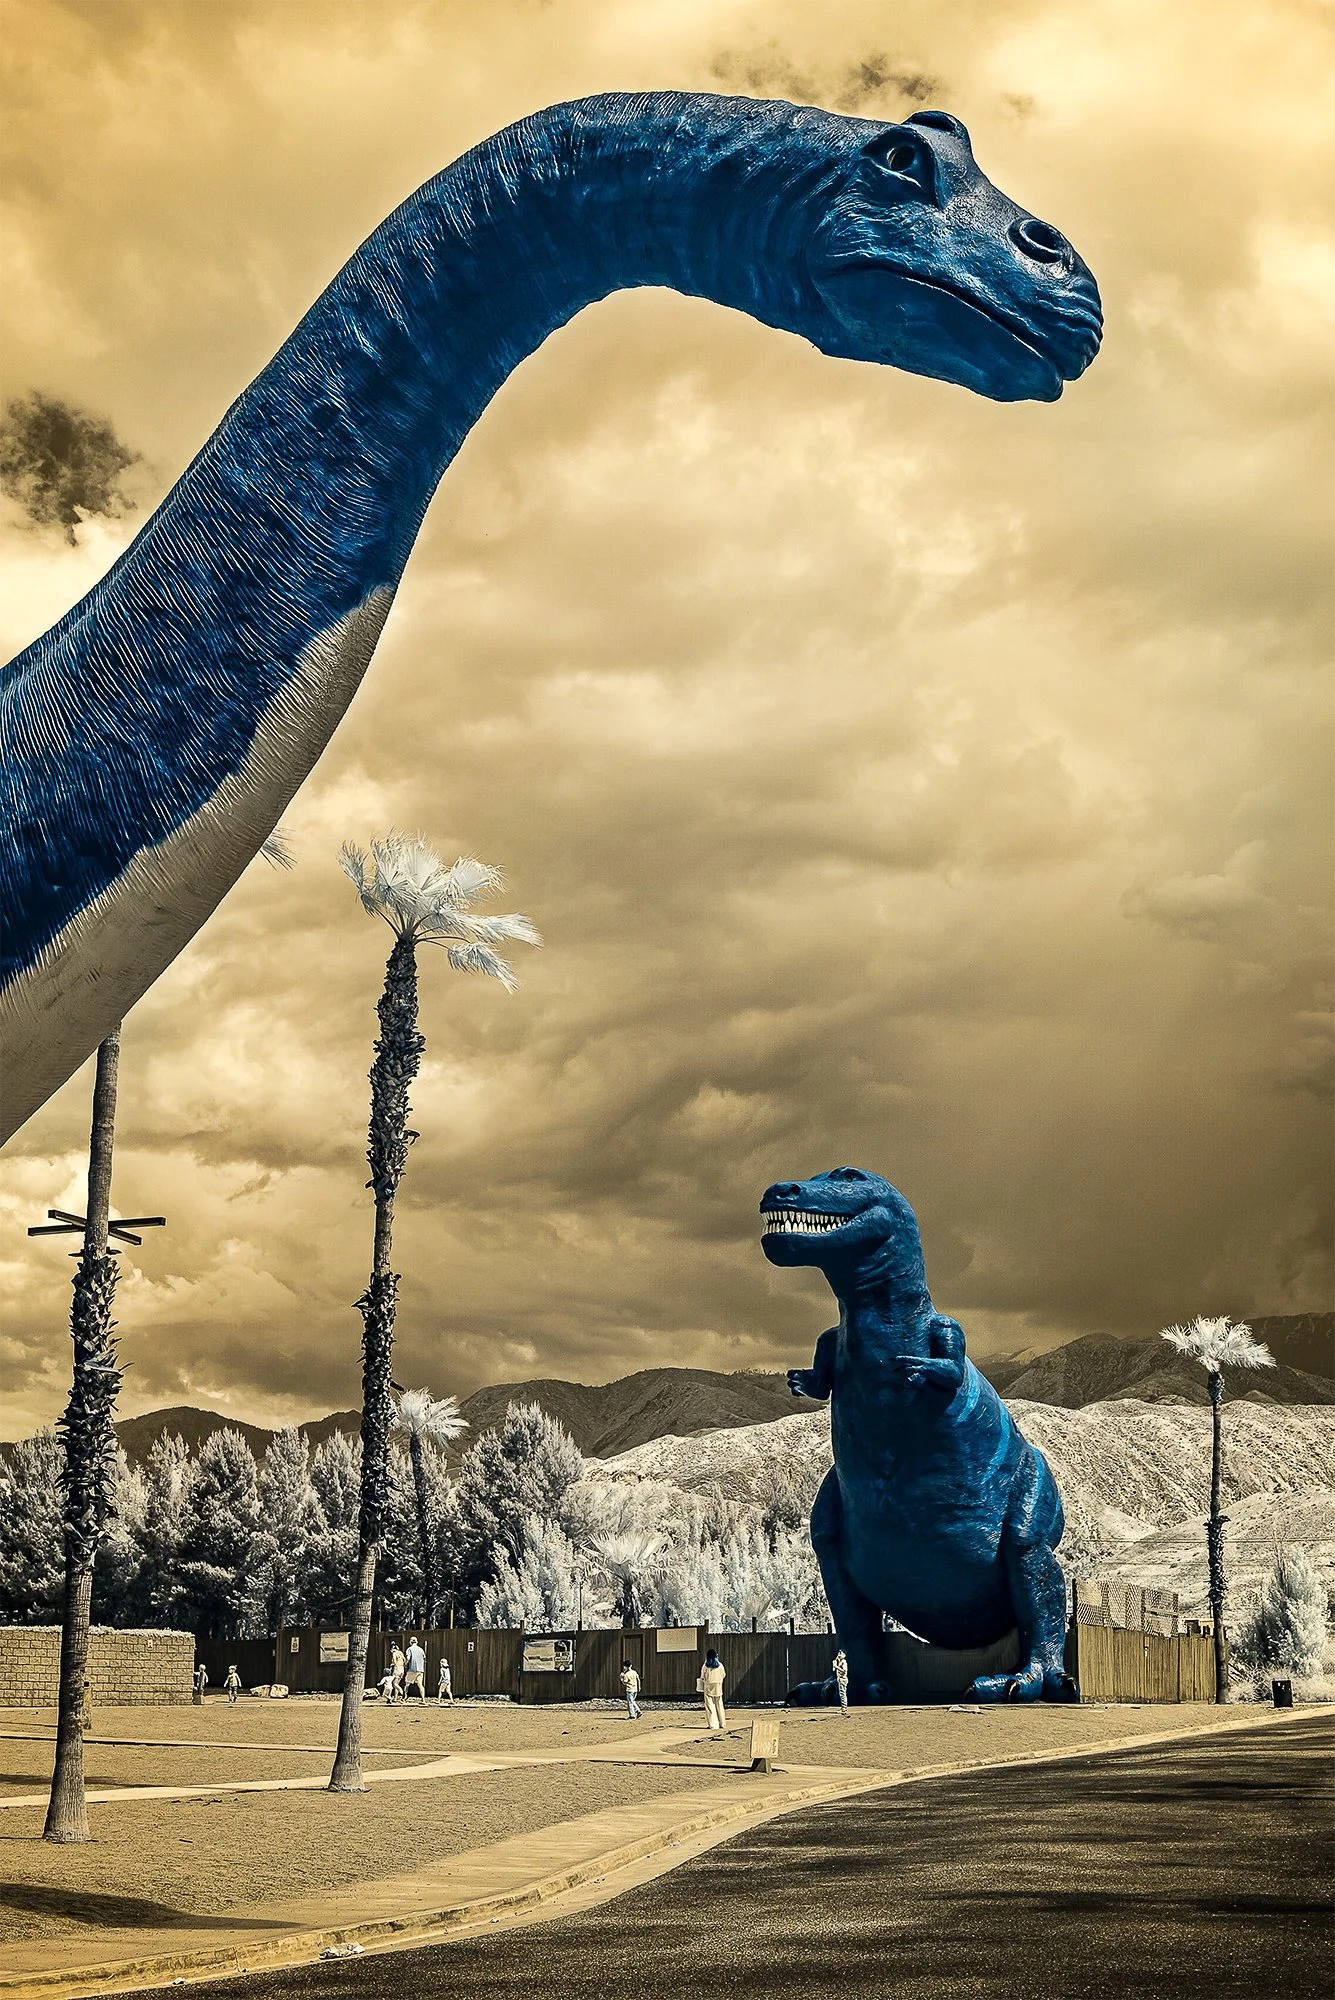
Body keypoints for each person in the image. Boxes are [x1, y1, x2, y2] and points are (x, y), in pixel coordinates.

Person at [700, 1648, 727, 1733]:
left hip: (708, 1686)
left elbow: (702, 1677)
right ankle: (722, 1723)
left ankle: (713, 1724)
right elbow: (723, 1675)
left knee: (710, 1706)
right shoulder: (720, 1665)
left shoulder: (705, 1666)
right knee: (719, 1705)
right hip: (718, 1686)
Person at [404, 1636, 427, 1702]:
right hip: (420, 1669)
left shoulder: (409, 1649)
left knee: (407, 1684)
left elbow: (408, 1658)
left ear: (410, 1642)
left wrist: (405, 1664)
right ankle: (423, 1699)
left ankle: (404, 1698)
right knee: (420, 1685)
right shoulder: (421, 1649)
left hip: (412, 1669)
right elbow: (424, 1658)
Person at [832, 1647, 850, 1715]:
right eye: (839, 1653)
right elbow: (834, 1669)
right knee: (841, 1694)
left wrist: (836, 1666)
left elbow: (844, 1671)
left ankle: (844, 1708)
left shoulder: (844, 1662)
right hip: (840, 1679)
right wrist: (835, 1664)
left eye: (841, 1653)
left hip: (843, 1679)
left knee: (843, 1694)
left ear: (844, 1655)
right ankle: (843, 1707)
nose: (839, 1654)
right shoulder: (839, 1661)